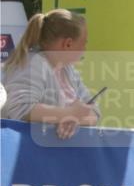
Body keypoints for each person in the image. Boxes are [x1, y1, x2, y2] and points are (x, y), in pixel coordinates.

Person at [1, 9, 100, 139]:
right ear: (68, 44)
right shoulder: (33, 64)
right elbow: (20, 108)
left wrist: (72, 119)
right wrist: (67, 114)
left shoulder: (68, 70)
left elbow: (94, 113)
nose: (85, 49)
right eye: (84, 43)